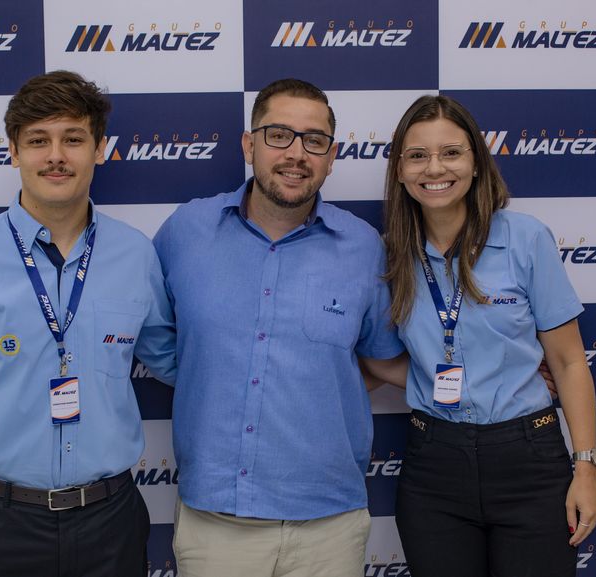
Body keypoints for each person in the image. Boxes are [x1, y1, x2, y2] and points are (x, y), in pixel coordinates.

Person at [0, 70, 175, 577]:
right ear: (13, 151)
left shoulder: (136, 254)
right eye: (38, 140)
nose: (55, 156)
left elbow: (172, 359)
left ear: (99, 149)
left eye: (73, 139)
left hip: (111, 522)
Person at [151, 78, 406, 577]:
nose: (296, 153)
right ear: (249, 145)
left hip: (329, 526)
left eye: (314, 141)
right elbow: (153, 334)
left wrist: (501, 380)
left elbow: (381, 361)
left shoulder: (364, 248)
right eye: (279, 135)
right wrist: (214, 376)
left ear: (331, 157)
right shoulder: (186, 231)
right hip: (216, 523)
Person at [379, 95, 596, 577]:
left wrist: (586, 466)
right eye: (417, 155)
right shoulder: (389, 254)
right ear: (399, 170)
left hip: (528, 459)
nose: (434, 168)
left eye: (451, 153)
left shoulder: (526, 238)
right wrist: (430, 378)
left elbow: (568, 362)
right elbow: (373, 357)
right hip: (433, 466)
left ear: (476, 162)